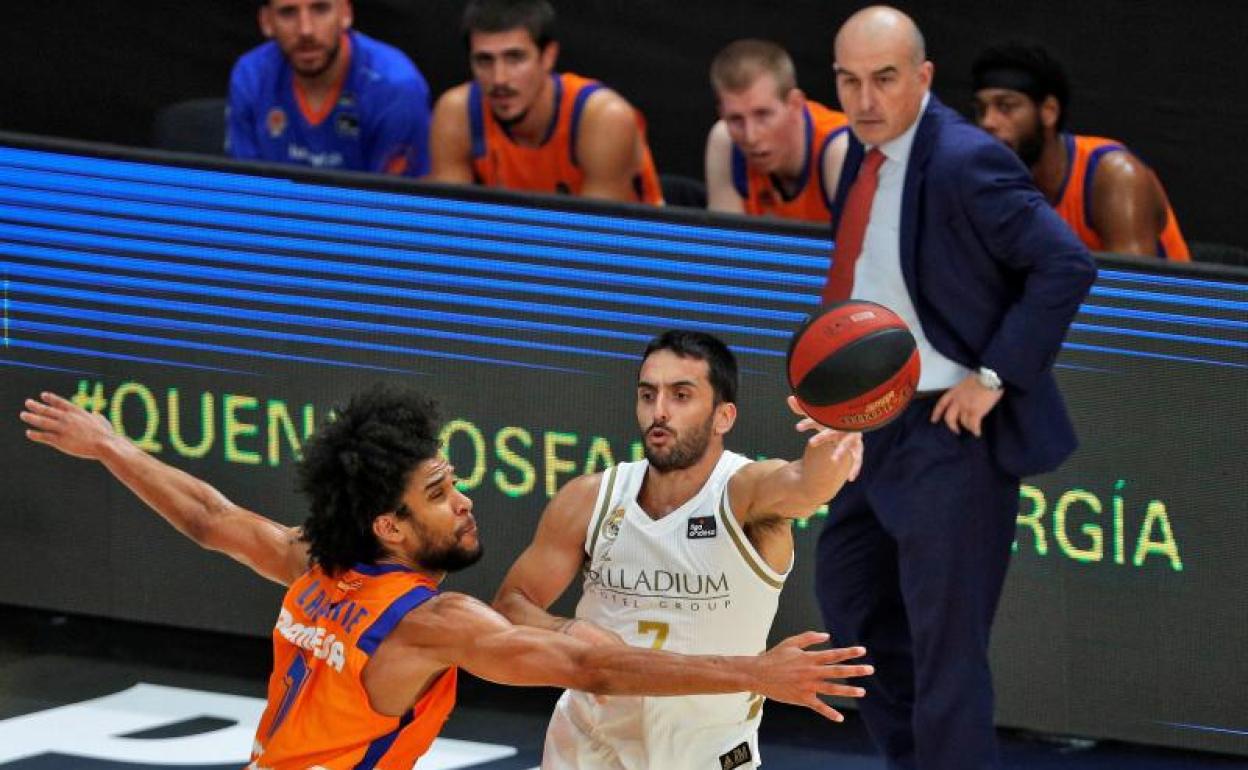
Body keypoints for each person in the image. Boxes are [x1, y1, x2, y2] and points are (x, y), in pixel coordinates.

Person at [19, 386, 871, 770]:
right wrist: (755, 673)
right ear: (388, 526)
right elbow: (589, 666)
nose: (463, 502)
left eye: (452, 480)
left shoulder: (315, 561)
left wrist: (112, 446)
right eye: (438, 494)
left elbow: (209, 518)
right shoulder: (432, 622)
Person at [819, 7, 1097, 770]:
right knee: (851, 612)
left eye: (884, 79)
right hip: (871, 422)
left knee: (947, 648)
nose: (865, 99)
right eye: (849, 80)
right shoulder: (855, 155)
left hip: (946, 433)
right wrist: (833, 392)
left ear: (924, 77)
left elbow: (1065, 264)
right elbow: (868, 278)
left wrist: (993, 376)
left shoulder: (966, 161)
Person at [492, 330, 866, 769]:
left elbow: (807, 485)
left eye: (681, 395)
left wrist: (837, 433)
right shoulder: (590, 497)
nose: (659, 411)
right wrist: (568, 630)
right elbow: (511, 605)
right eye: (647, 395)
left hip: (707, 755)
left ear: (723, 416)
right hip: (587, 747)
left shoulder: (744, 492)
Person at [428, 0, 663, 204]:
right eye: (484, 60)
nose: (499, 79)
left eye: (515, 58)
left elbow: (597, 235)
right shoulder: (457, 113)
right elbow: (448, 223)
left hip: (631, 241)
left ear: (548, 56)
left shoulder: (604, 118)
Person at [971, 42, 1190, 260]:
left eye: (1006, 107)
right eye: (981, 109)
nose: (988, 122)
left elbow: (1132, 281)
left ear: (1049, 111)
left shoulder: (1115, 175)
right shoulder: (991, 180)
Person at [227, 0, 431, 176]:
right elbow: (245, 188)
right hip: (274, 210)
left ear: (345, 13)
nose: (306, 30)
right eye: (288, 13)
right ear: (266, 22)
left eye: (321, 9)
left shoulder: (396, 89)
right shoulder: (251, 76)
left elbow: (397, 201)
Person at [705, 39, 850, 223]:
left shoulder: (840, 150)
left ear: (795, 104)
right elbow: (725, 239)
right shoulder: (726, 141)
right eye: (735, 119)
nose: (751, 136)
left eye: (763, 115)